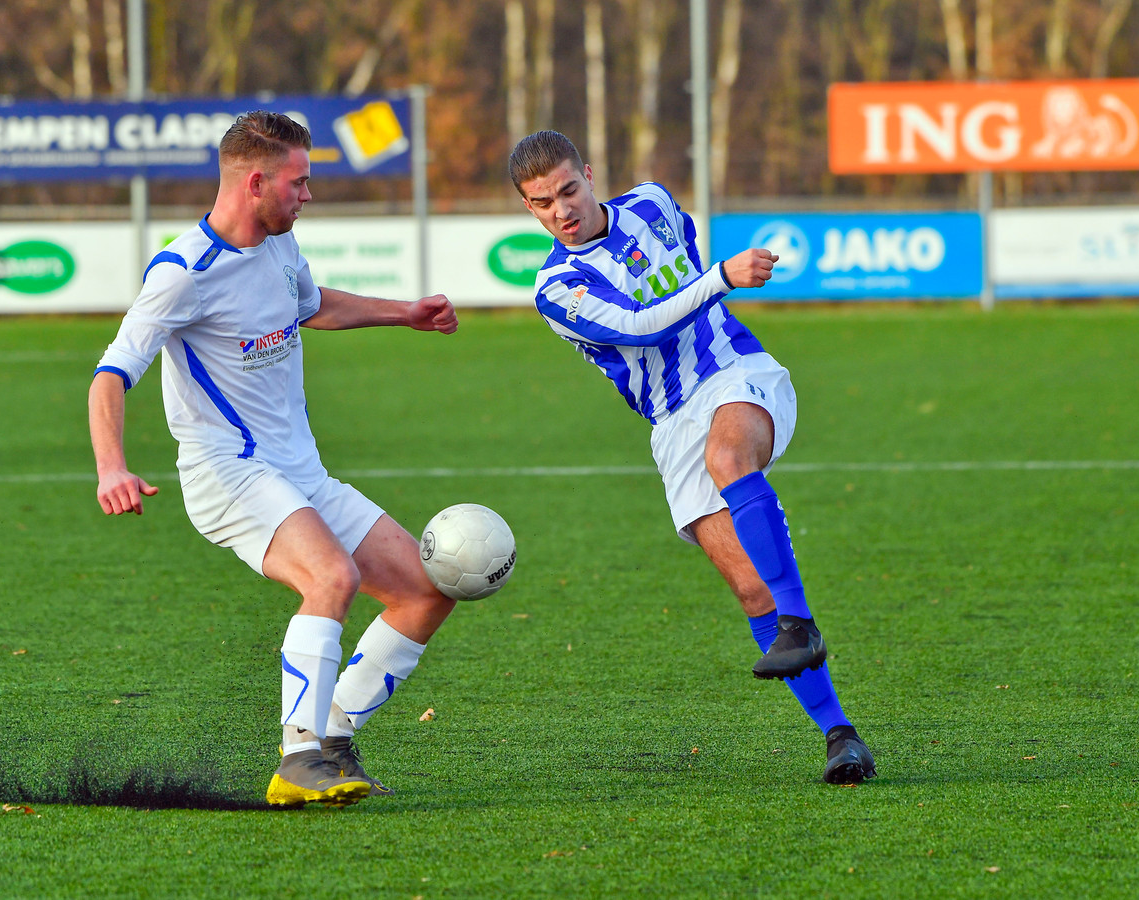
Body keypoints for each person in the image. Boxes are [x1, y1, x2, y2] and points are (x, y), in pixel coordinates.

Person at [89, 111, 460, 808]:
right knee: (331, 576)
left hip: (300, 471)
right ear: (256, 181)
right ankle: (298, 759)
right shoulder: (181, 273)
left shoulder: (281, 247)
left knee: (423, 588)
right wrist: (113, 466)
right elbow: (110, 374)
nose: (308, 195)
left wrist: (402, 313)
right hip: (226, 472)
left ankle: (334, 732)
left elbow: (312, 306)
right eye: (299, 181)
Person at [508, 130, 875, 784]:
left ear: (588, 175)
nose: (559, 209)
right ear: (528, 209)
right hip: (672, 422)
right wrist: (720, 279)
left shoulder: (651, 201)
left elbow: (682, 234)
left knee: (729, 458)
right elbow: (640, 325)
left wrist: (711, 284)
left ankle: (800, 624)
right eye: (540, 203)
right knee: (749, 586)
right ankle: (839, 736)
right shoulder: (558, 288)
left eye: (567, 190)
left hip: (737, 372)